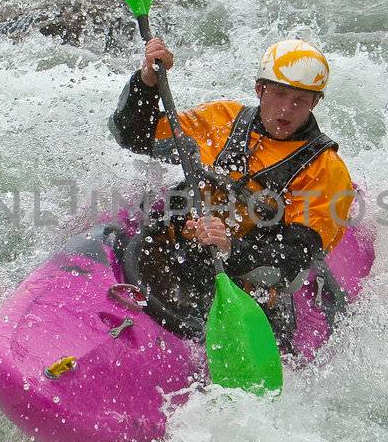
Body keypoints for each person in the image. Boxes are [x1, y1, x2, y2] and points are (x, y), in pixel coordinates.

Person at [109, 37, 354, 348]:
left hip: (246, 286)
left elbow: (294, 260)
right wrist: (146, 83)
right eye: (278, 94)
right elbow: (133, 136)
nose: (286, 110)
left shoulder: (325, 170)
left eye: (300, 101)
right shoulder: (221, 119)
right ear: (259, 89)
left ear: (315, 103)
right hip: (179, 251)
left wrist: (229, 247)